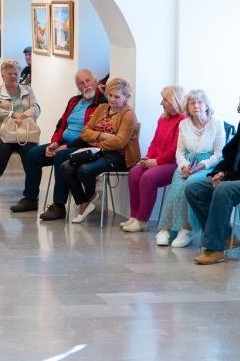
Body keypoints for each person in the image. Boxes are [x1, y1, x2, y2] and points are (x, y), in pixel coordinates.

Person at [185, 91, 240, 265]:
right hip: (232, 174)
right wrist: (219, 172)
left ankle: (215, 248)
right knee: (193, 189)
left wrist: (226, 176)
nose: (239, 112)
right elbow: (230, 156)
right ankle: (225, 235)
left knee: (223, 189)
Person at [9, 69, 106, 216]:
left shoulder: (102, 104)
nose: (86, 85)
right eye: (81, 83)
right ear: (78, 87)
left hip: (87, 147)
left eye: (88, 81)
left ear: (95, 81)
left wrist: (66, 146)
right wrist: (55, 142)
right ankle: (30, 198)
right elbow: (61, 125)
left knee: (61, 157)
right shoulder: (74, 101)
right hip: (64, 144)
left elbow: (91, 135)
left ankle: (59, 206)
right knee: (33, 154)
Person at [59, 77, 141, 223]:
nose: (112, 99)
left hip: (119, 156)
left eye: (117, 97)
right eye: (110, 95)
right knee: (66, 167)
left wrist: (97, 141)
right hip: (97, 151)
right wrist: (101, 135)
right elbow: (85, 133)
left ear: (126, 97)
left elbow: (120, 142)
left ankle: (89, 197)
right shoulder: (102, 108)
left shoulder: (128, 114)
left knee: (85, 170)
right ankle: (84, 201)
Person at [156, 89, 224, 248]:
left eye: (200, 102)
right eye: (192, 103)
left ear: (206, 105)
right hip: (187, 163)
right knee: (178, 185)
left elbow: (218, 154)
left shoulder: (217, 122)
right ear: (187, 107)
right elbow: (179, 152)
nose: (196, 106)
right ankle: (167, 228)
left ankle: (187, 229)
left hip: (208, 165)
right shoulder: (183, 124)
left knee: (190, 184)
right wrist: (184, 166)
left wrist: (201, 166)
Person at [121, 85, 187, 233]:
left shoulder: (183, 120)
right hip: (158, 161)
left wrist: (156, 162)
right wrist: (148, 158)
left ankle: (142, 221)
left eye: (165, 99)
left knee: (147, 178)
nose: (161, 103)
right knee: (134, 173)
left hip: (174, 163)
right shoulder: (163, 119)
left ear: (175, 100)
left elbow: (175, 149)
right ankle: (134, 216)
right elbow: (155, 142)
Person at [0, 59, 40, 201]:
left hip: (24, 131)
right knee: (3, 148)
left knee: (31, 152)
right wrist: (12, 114)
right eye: (10, 74)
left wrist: (24, 115)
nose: (13, 76)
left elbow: (36, 108)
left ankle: (31, 190)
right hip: (1, 130)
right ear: (3, 76)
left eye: (16, 73)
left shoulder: (28, 90)